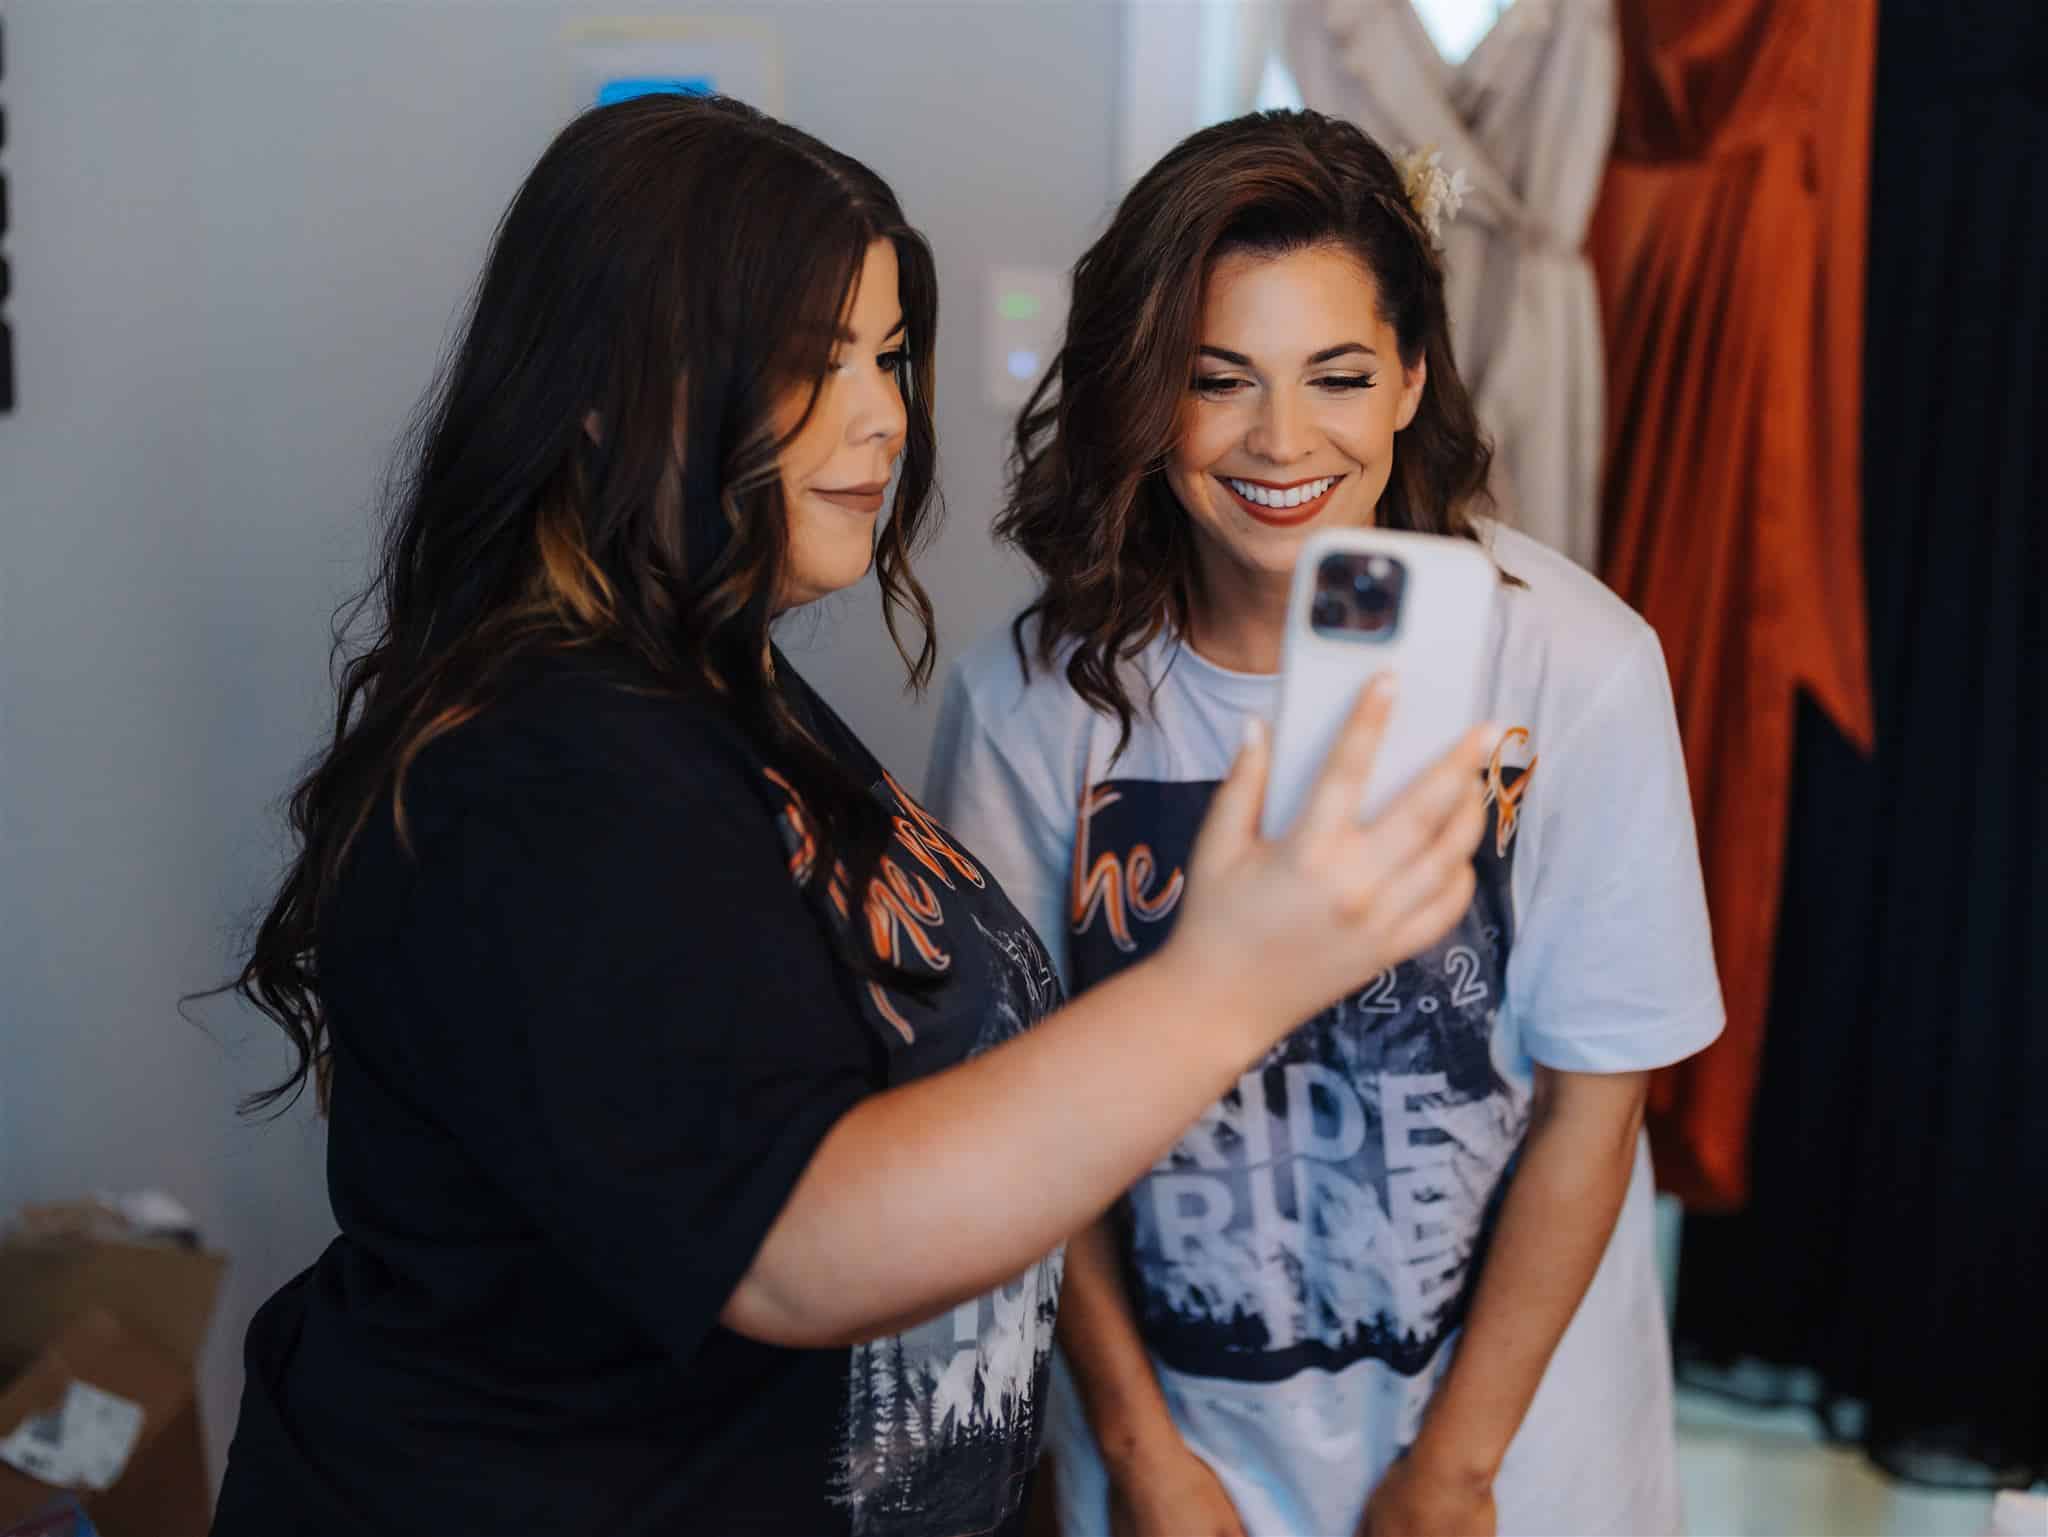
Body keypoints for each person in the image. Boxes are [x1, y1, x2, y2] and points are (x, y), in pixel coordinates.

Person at [207, 95, 1495, 1537]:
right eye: (813, 362)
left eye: (886, 354)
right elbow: (796, 1246)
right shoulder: (540, 771)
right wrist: (1233, 977)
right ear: (602, 384)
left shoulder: (715, 687)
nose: (885, 412)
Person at [926, 110, 1724, 1537]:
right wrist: (1137, 1446)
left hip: (1514, 1467)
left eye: (1337, 376)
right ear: (1144, 394)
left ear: (1412, 376)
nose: (1282, 440)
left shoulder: (1579, 671)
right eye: (1216, 380)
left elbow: (1594, 1103)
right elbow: (1015, 1121)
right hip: (1184, 1474)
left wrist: (1458, 1469)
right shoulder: (1028, 705)